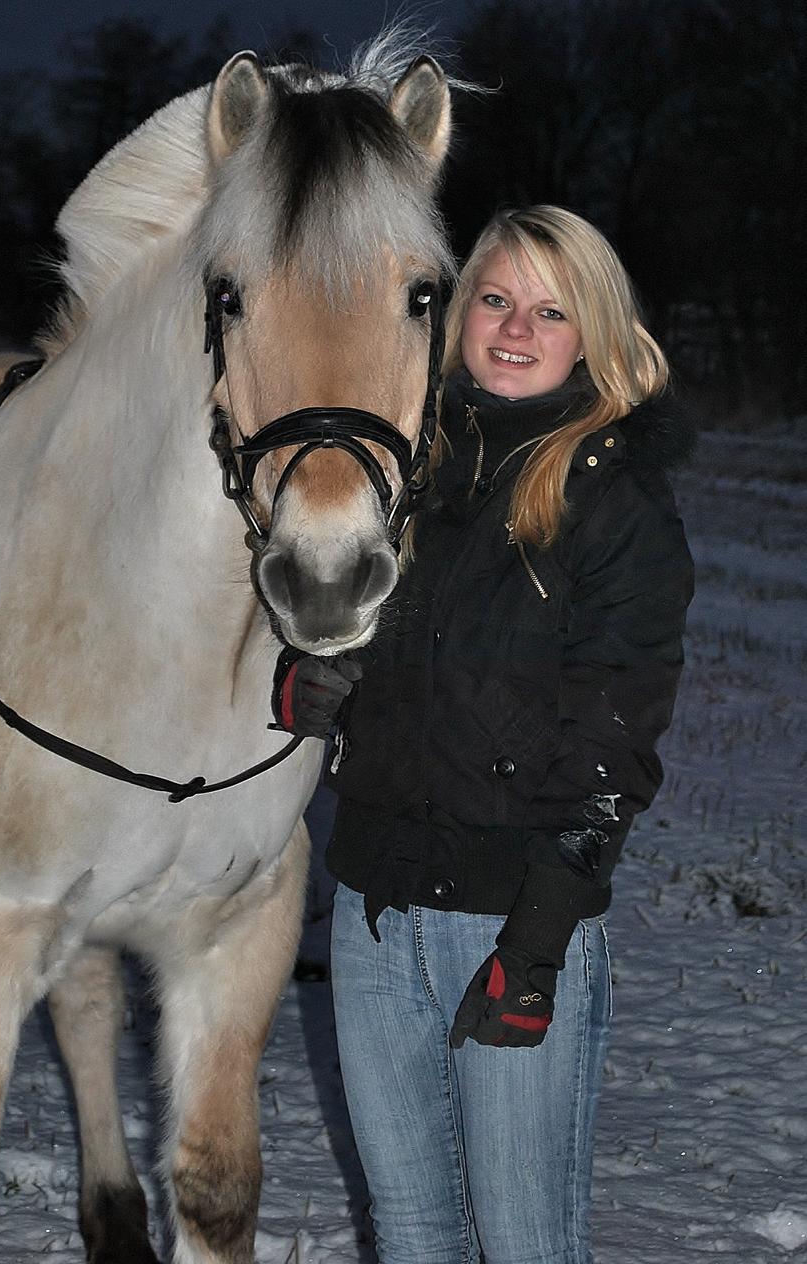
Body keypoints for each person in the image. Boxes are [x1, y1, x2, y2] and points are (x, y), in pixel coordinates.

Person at [272, 206, 694, 1264]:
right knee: (409, 1232)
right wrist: (311, 684)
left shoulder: (617, 505)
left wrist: (538, 943)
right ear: (458, 313)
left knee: (523, 1243)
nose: (514, 328)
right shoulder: (404, 471)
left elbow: (611, 750)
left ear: (592, 333)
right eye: (495, 299)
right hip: (372, 916)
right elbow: (362, 643)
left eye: (549, 310)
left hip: (507, 926)